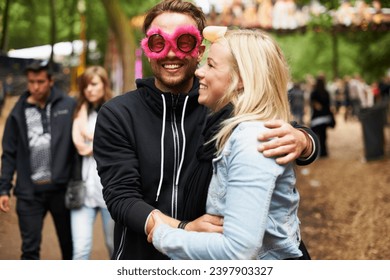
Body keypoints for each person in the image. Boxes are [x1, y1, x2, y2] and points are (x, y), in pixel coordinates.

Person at [93, 0, 318, 260]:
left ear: (199, 50)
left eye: (183, 42)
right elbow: (120, 196)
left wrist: (304, 140)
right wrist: (182, 229)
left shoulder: (224, 108)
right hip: (143, 257)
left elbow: (271, 127)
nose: (170, 53)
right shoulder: (118, 114)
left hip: (212, 259)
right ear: (147, 49)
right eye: (158, 42)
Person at [147, 26, 307, 260]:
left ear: (241, 79)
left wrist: (164, 235)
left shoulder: (252, 140)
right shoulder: (231, 128)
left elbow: (238, 250)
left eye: (211, 65)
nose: (200, 73)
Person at [0, 60, 75, 260]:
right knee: (30, 250)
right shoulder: (18, 111)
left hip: (61, 191)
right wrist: (4, 188)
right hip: (29, 193)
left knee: (70, 248)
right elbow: (9, 152)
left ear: (50, 81)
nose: (35, 86)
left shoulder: (68, 106)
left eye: (40, 81)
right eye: (31, 81)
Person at [71, 66, 114, 259]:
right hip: (83, 192)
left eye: (94, 84)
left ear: (104, 86)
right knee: (80, 250)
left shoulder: (117, 113)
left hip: (110, 193)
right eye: (86, 85)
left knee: (114, 247)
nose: (89, 89)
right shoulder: (77, 113)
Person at [310, 75, 334, 157]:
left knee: (316, 135)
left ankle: (317, 151)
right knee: (323, 135)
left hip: (317, 117)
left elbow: (312, 103)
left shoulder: (314, 92)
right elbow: (328, 105)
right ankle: (324, 151)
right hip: (325, 117)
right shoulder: (326, 92)